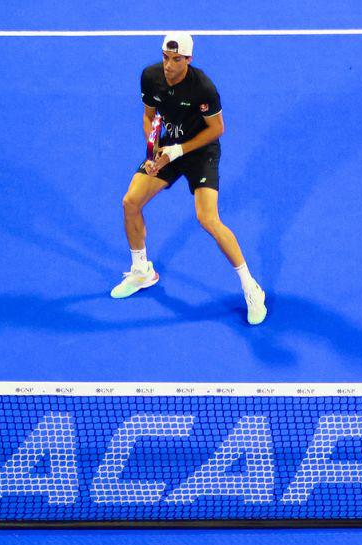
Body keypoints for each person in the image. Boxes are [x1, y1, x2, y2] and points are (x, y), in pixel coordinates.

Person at [109, 32, 267, 325]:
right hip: (167, 147)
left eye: (177, 60)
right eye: (166, 58)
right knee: (131, 202)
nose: (169, 65)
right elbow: (149, 116)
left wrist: (178, 150)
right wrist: (153, 150)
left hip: (200, 152)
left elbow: (217, 128)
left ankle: (251, 287)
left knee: (207, 219)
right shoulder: (150, 76)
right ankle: (142, 271)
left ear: (189, 60)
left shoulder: (203, 87)